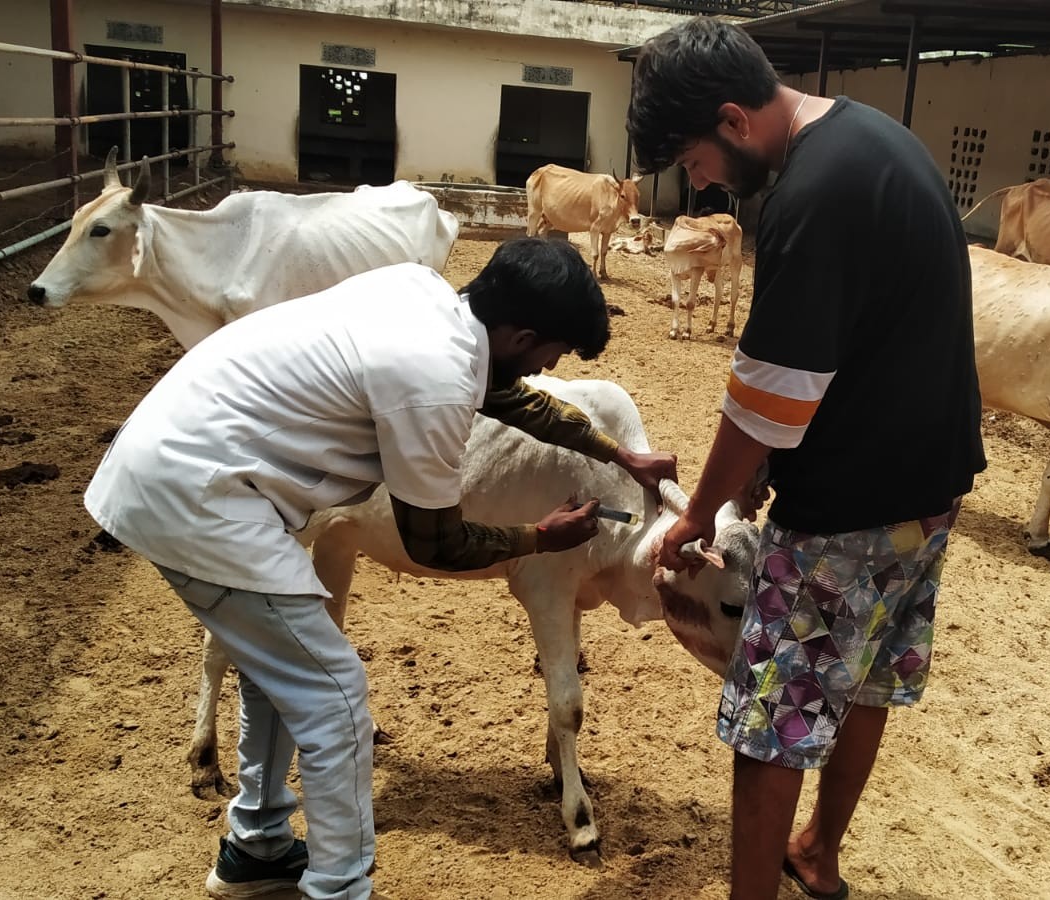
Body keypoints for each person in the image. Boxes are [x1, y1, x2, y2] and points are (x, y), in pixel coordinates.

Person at [84, 238, 678, 900]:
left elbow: (513, 399)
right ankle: (339, 886)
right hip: (200, 494)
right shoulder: (434, 387)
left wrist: (619, 454)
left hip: (186, 458)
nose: (550, 367)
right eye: (552, 354)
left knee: (276, 673)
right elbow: (436, 544)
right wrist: (540, 537)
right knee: (336, 698)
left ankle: (256, 847)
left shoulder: (428, 299)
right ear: (524, 336)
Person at [628, 18, 986, 900]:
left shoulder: (808, 198)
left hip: (847, 511)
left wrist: (702, 511)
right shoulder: (878, 138)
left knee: (769, 720)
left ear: (732, 119)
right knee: (863, 678)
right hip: (930, 488)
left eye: (694, 160)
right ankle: (817, 854)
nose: (698, 181)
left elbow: (766, 399)